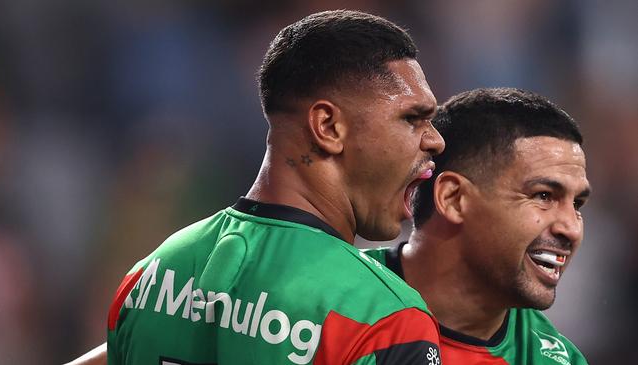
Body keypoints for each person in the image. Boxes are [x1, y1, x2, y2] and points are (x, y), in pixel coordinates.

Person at [89, 10, 446, 365]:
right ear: (328, 126)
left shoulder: (150, 277)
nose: (435, 140)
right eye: (412, 118)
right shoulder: (382, 320)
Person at [364, 88, 590, 364]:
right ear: (454, 198)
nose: (571, 229)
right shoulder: (330, 303)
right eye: (543, 196)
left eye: (577, 204)